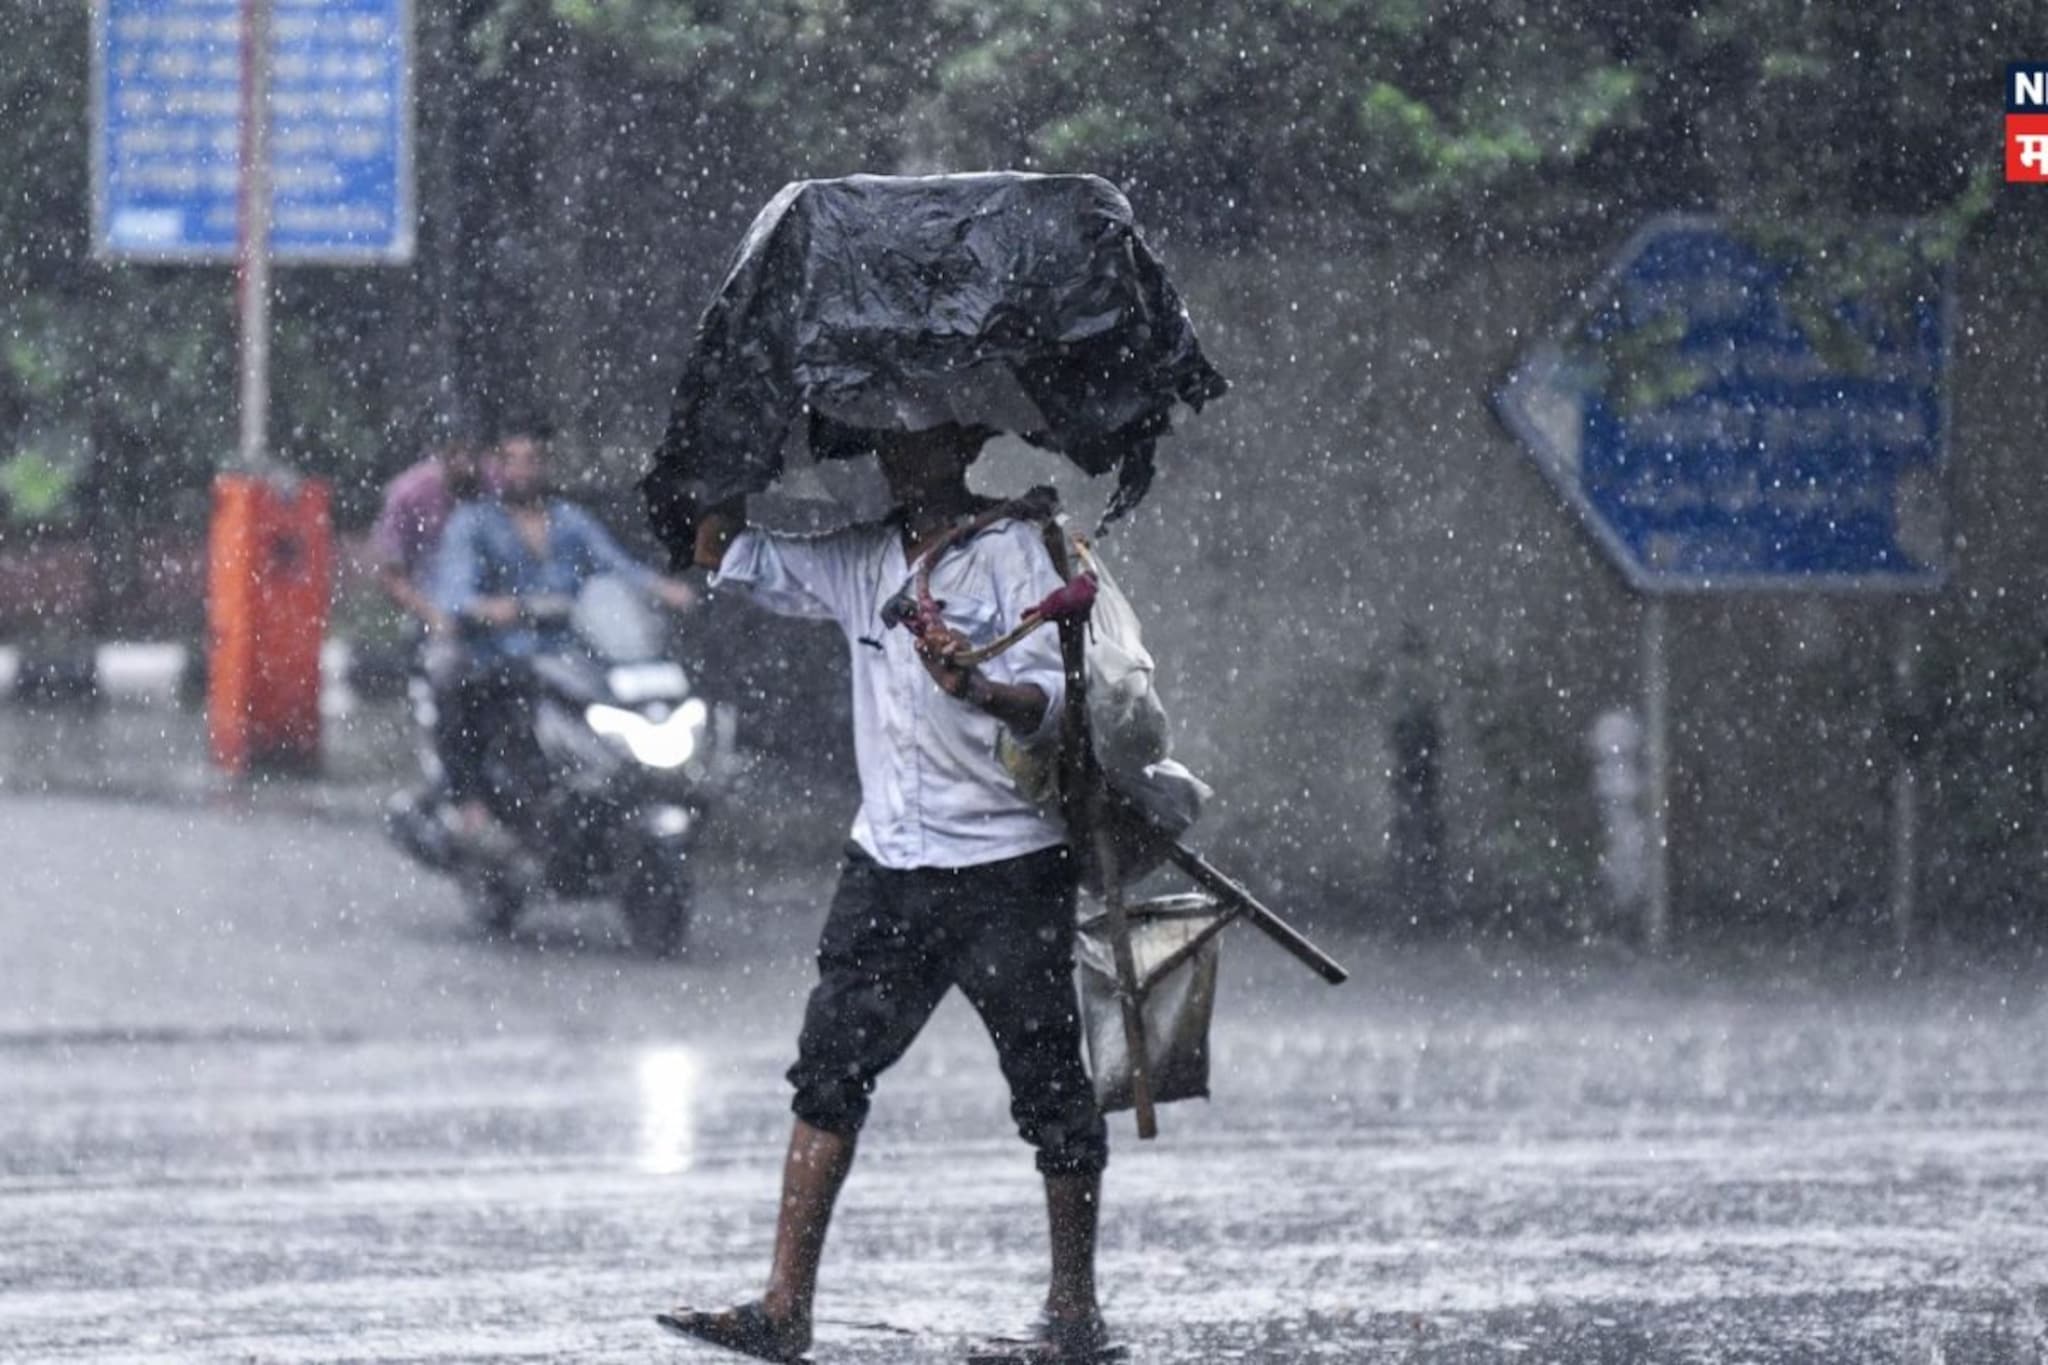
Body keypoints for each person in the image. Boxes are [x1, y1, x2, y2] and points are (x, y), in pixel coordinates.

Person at [660, 424, 1113, 1364]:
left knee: (1051, 1089)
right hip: (891, 867)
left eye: (923, 438)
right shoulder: (863, 560)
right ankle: (785, 1305)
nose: (904, 457)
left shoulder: (1015, 551)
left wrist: (980, 686)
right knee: (827, 1074)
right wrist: (713, 464)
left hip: (1008, 867)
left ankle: (1074, 1307)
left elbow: (1053, 698)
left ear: (962, 444)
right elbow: (730, 551)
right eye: (890, 441)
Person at [431, 431, 699, 846]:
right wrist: (492, 609)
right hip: (501, 655)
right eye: (512, 460)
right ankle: (471, 802)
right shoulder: (473, 524)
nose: (522, 469)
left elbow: (615, 566)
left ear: (545, 465)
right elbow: (454, 594)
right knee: (463, 694)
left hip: (570, 656)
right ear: (496, 467)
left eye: (532, 459)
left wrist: (663, 591)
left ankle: (603, 792)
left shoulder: (570, 520)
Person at [368, 434, 494, 635]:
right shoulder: (409, 494)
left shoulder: (497, 482)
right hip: (429, 607)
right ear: (441, 454)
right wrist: (432, 614)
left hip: (492, 609)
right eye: (456, 453)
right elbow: (390, 574)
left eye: (472, 455)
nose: (465, 464)